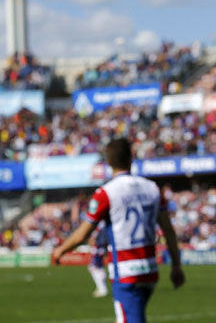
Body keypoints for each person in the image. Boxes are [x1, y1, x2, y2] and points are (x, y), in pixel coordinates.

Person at [53, 138, 185, 323]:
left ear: (108, 162)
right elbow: (168, 231)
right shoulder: (153, 189)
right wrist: (176, 266)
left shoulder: (106, 193)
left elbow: (83, 234)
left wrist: (60, 250)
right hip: (149, 269)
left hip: (126, 271)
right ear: (131, 158)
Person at [88, 220, 109, 298]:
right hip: (101, 248)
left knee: (94, 267)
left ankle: (102, 289)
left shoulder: (99, 225)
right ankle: (102, 288)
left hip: (98, 248)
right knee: (96, 267)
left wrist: (92, 247)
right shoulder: (104, 225)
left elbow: (93, 238)